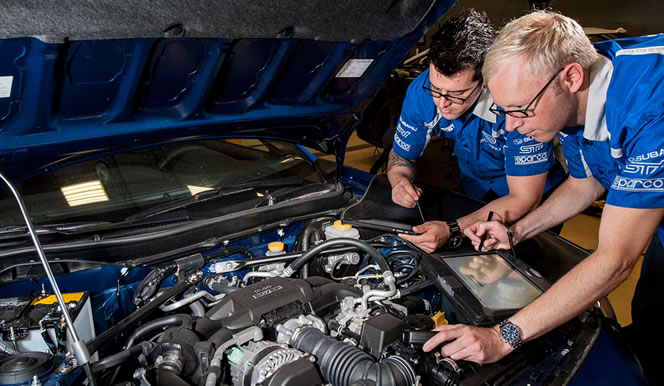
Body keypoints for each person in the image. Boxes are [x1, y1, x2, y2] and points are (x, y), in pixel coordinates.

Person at [424, 10, 664, 385]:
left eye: (520, 110)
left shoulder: (651, 110)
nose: (510, 125)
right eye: (503, 111)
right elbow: (586, 183)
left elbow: (616, 260)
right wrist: (516, 232)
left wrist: (503, 337)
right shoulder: (580, 91)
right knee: (653, 313)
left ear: (571, 77)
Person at [388, 9, 566, 253]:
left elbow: (524, 198)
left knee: (520, 269)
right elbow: (402, 156)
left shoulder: (517, 106)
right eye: (436, 88)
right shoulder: (423, 93)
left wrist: (451, 228)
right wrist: (398, 180)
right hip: (475, 190)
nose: (442, 102)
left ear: (485, 81)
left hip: (534, 199)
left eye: (457, 94)